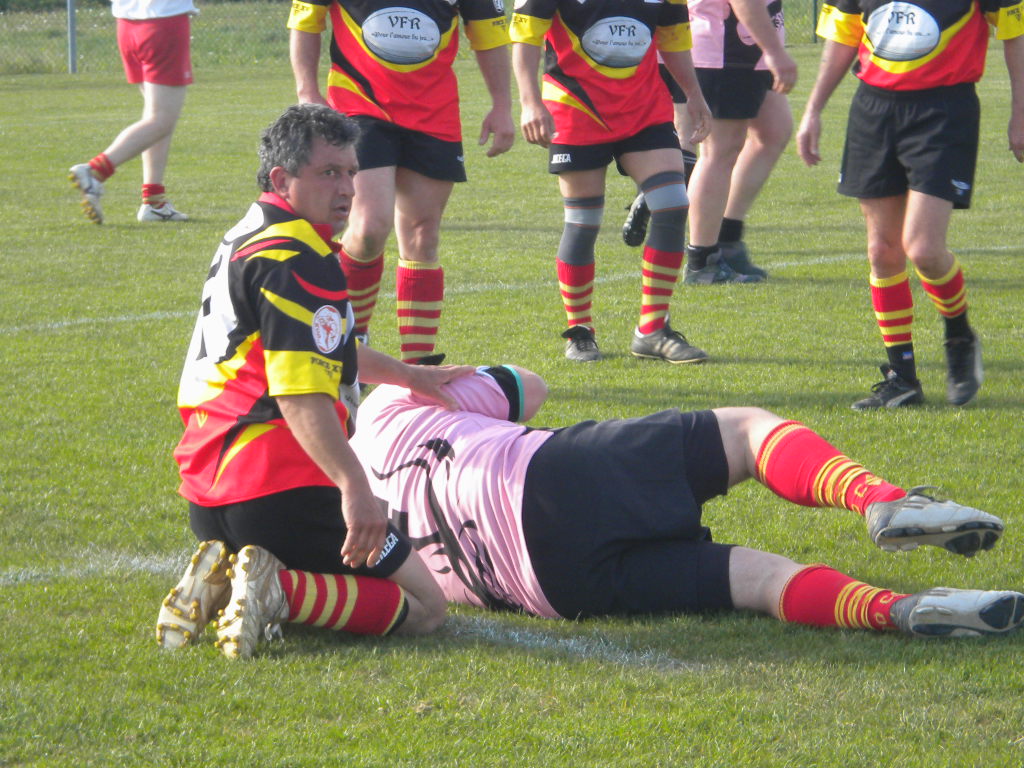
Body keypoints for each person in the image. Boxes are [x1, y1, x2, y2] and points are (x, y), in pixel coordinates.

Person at [338, 366, 1015, 640]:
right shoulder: (385, 403)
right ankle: (882, 500)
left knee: (759, 582)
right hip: (544, 481)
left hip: (552, 589)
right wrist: (413, 375)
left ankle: (901, 611)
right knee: (748, 432)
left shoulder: (336, 521)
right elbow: (529, 386)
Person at [155, 104, 475, 659]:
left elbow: (320, 346)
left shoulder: (248, 234)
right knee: (427, 607)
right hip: (279, 491)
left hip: (209, 495)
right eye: (329, 173)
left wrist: (408, 375)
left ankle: (224, 576)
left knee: (328, 565)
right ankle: (274, 589)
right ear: (283, 179)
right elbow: (300, 398)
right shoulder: (300, 259)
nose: (347, 188)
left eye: (352, 172)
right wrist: (354, 489)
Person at [795, 0, 1024, 409]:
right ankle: (902, 378)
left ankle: (959, 336)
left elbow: (1014, 31)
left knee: (923, 249)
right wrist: (813, 110)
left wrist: (1020, 111)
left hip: (944, 110)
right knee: (882, 251)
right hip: (874, 109)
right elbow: (844, 35)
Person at [287, 0, 515, 363]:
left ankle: (418, 369)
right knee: (368, 229)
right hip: (359, 104)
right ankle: (350, 344)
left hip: (434, 112)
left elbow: (489, 34)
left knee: (423, 235)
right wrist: (307, 93)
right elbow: (305, 17)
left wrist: (502, 105)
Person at [510, 0, 714, 364]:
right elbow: (526, 35)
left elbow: (674, 38)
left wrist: (694, 94)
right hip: (576, 106)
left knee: (672, 205)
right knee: (583, 221)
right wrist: (529, 102)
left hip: (644, 108)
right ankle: (580, 331)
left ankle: (652, 330)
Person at [682, 0, 796, 284]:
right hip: (725, 47)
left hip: (749, 46)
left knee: (773, 131)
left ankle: (726, 237)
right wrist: (775, 52)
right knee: (719, 150)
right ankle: (702, 261)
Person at [67, 0, 195, 224]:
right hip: (163, 21)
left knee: (156, 118)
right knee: (161, 120)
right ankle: (95, 171)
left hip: (127, 24)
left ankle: (154, 202)